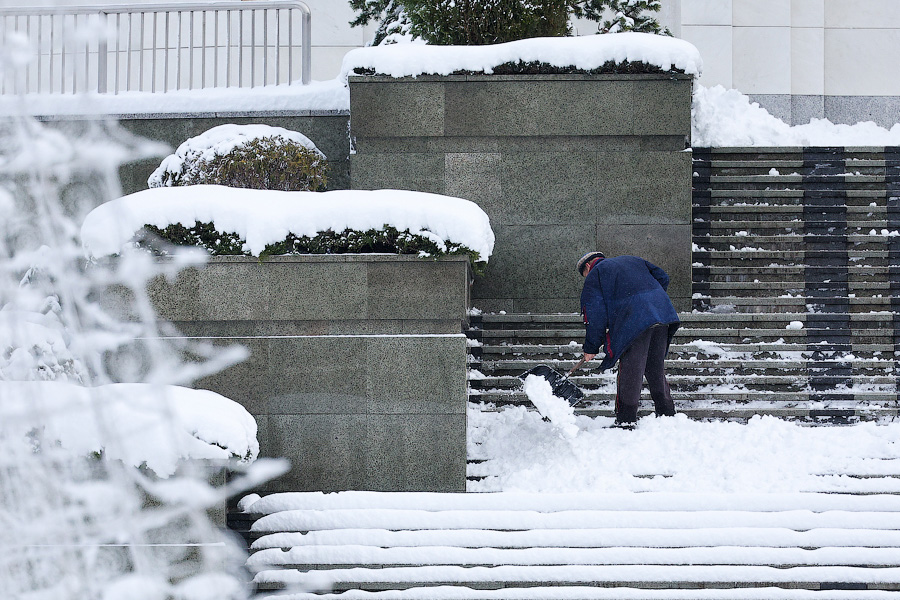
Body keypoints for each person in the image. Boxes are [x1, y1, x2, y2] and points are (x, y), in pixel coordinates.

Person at [576, 251, 680, 428]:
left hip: (634, 321)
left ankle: (626, 419)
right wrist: (651, 301)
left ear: (587, 266)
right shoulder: (633, 260)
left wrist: (591, 347)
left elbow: (594, 313)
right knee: (654, 366)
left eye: (584, 275)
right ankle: (667, 413)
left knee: (631, 370)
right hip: (662, 315)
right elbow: (663, 277)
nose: (587, 277)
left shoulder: (596, 273)